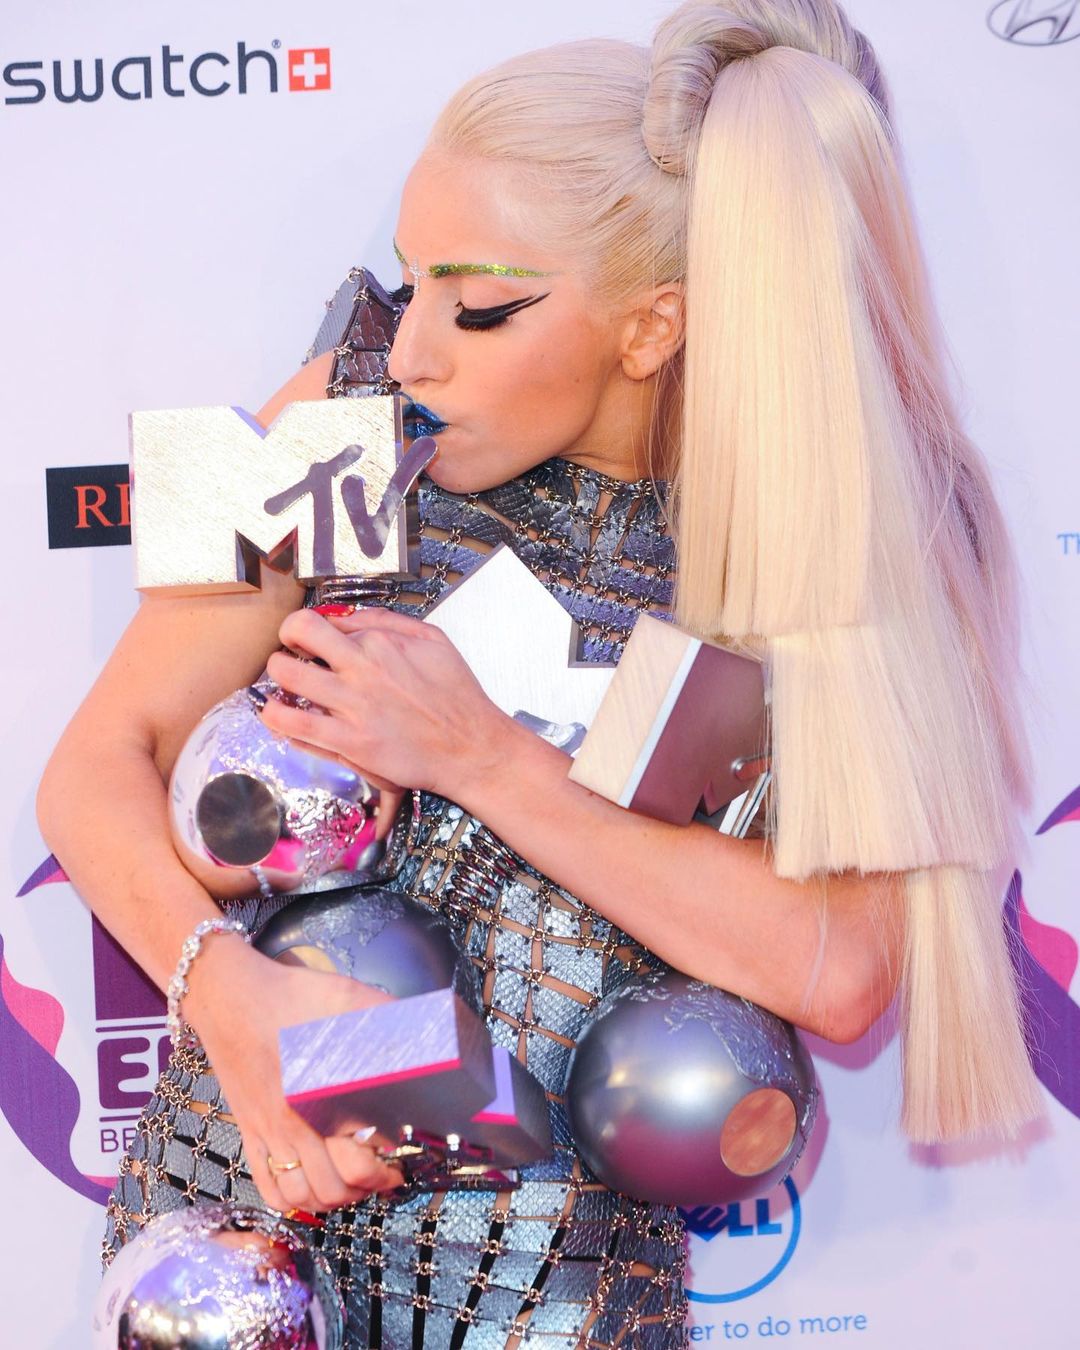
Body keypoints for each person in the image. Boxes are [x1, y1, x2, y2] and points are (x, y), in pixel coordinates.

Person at [37, 0, 1040, 1344]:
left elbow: (843, 971)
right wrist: (225, 991)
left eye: (480, 305)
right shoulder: (338, 404)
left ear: (651, 326)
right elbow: (91, 767)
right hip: (223, 1245)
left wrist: (487, 761)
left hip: (553, 1296)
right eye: (412, 281)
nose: (414, 349)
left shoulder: (835, 523)